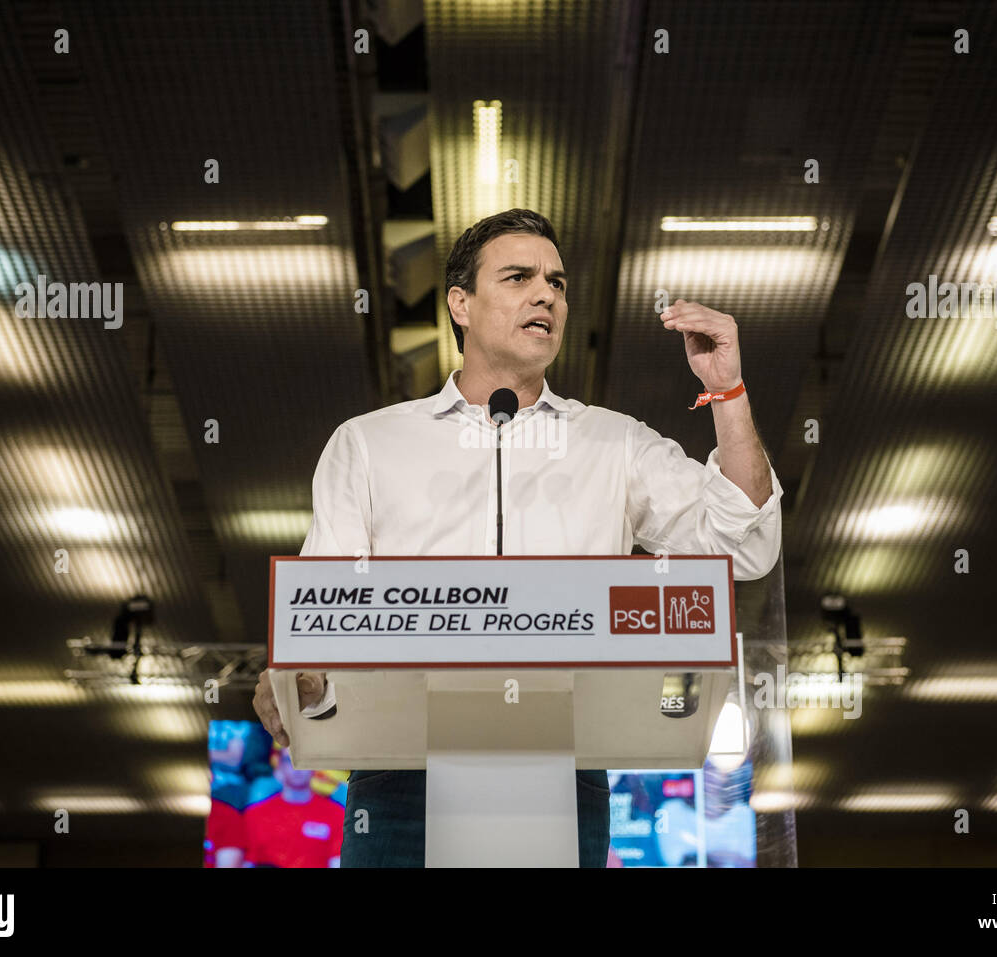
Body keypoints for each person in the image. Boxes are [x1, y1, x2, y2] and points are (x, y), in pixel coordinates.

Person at [252, 208, 783, 867]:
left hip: (564, 769)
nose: (546, 294)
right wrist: (291, 670)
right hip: (396, 782)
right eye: (519, 276)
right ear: (461, 304)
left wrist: (727, 391)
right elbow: (318, 613)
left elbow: (746, 546)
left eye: (557, 283)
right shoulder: (368, 443)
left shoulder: (614, 442)